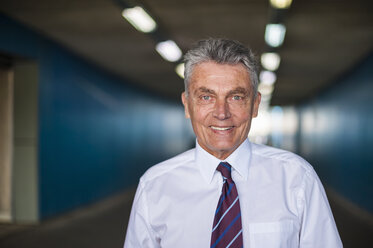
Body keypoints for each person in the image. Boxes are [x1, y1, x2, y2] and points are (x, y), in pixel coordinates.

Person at [123, 38, 342, 248]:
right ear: (187, 105)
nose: (221, 113)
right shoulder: (154, 186)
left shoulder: (297, 178)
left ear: (255, 105)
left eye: (236, 97)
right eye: (206, 97)